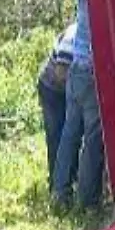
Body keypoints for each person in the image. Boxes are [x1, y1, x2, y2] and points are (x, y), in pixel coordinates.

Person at [51, 0, 106, 210]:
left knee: (70, 133)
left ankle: (59, 193)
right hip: (92, 71)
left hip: (75, 68)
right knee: (93, 138)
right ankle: (88, 201)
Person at [38, 22, 77, 189]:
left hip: (66, 87)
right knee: (56, 136)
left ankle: (68, 180)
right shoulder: (73, 35)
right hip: (52, 88)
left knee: (70, 136)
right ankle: (56, 186)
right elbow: (61, 73)